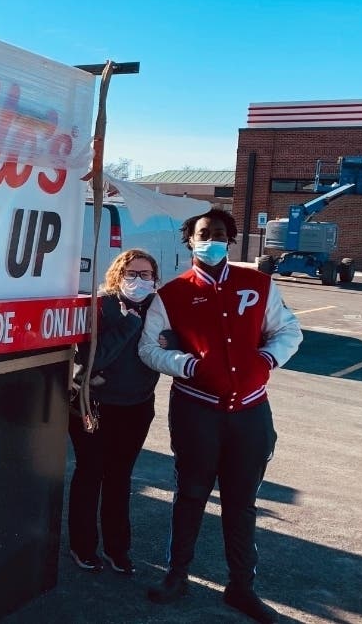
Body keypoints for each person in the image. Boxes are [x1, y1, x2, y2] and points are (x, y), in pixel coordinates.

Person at [139, 208, 301, 624]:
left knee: (241, 503)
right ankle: (177, 576)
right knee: (191, 494)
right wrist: (186, 364)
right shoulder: (170, 294)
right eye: (202, 233)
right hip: (197, 412)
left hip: (250, 413)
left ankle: (241, 587)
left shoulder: (258, 284)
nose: (209, 239)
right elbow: (149, 350)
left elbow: (289, 331)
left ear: (229, 239)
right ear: (189, 240)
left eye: (217, 233)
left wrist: (267, 359)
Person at [68, 248, 161, 576]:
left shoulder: (157, 309)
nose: (138, 280)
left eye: (145, 275)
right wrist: (126, 329)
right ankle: (82, 546)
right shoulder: (102, 306)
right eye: (131, 274)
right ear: (117, 275)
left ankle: (117, 549)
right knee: (90, 474)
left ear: (155, 279)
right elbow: (90, 360)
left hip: (136, 407)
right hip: (95, 407)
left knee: (120, 479)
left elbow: (167, 347)